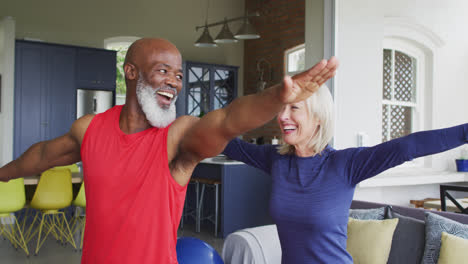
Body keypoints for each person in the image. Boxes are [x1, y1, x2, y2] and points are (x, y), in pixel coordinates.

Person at [0, 38, 338, 263]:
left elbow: (227, 120)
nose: (174, 82)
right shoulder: (90, 128)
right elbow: (43, 156)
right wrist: (2, 174)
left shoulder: (176, 137)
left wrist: (276, 97)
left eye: (177, 75)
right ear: (130, 72)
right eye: (163, 70)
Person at [222, 84, 468, 263]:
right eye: (281, 108)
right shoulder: (277, 159)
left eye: (294, 108)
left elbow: (408, 147)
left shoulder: (345, 164)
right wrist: (188, 125)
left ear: (318, 117)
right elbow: (224, 141)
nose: (282, 116)